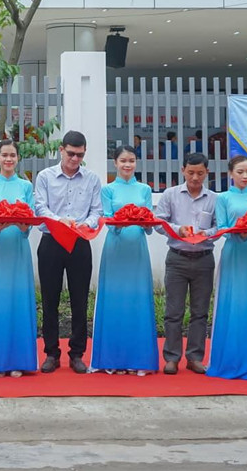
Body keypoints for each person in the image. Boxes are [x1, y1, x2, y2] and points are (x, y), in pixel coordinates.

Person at [33, 130, 102, 374]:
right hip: (52, 240)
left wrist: (87, 224)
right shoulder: (45, 176)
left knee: (79, 300)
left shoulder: (92, 179)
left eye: (80, 155)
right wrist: (59, 221)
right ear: (61, 150)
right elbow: (40, 206)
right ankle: (51, 353)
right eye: (71, 153)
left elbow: (97, 211)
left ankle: (77, 353)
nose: (75, 159)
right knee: (50, 300)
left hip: (80, 242)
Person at [92, 145, 158, 375]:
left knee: (137, 301)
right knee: (114, 302)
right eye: (123, 161)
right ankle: (112, 359)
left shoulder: (144, 190)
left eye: (131, 160)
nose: (127, 165)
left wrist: (143, 221)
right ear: (115, 163)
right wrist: (123, 220)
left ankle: (139, 359)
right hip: (116, 249)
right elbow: (108, 220)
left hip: (137, 250)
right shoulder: (108, 190)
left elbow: (149, 224)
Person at [206, 155, 247, 380]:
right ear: (231, 174)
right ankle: (229, 361)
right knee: (232, 303)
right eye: (241, 172)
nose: (245, 176)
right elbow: (222, 228)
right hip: (233, 253)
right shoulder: (223, 198)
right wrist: (241, 231)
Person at [0, 139, 37, 377]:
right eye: (4, 155)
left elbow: (30, 223)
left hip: (20, 250)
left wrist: (21, 222)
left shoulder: (25, 186)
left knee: (19, 302)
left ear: (18, 158)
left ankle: (19, 361)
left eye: (12, 155)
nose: (8, 159)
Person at [153, 152, 218, 374]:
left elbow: (220, 228)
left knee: (200, 312)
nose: (195, 178)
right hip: (177, 259)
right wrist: (177, 229)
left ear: (207, 172)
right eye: (190, 173)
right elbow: (158, 223)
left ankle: (195, 357)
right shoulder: (170, 195)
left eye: (200, 173)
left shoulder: (213, 198)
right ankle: (172, 357)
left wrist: (205, 233)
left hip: (203, 259)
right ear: (182, 170)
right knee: (174, 311)